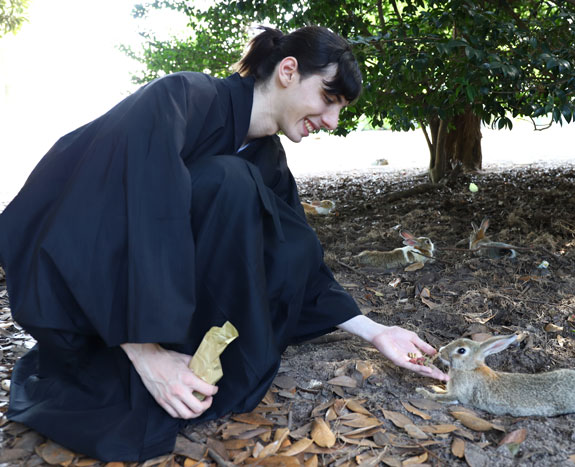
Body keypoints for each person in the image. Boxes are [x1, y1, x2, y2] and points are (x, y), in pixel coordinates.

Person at [0, 25, 447, 461]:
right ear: (287, 71)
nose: (331, 120)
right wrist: (146, 355)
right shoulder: (181, 98)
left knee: (265, 210)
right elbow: (103, 219)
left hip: (152, 317)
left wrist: (376, 332)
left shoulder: (268, 157)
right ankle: (144, 364)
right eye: (328, 98)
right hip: (80, 278)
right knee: (229, 181)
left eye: (340, 109)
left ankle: (185, 362)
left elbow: (295, 260)